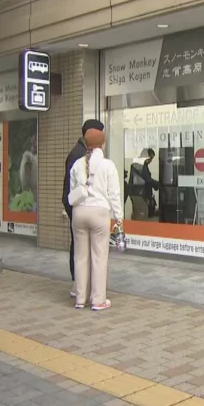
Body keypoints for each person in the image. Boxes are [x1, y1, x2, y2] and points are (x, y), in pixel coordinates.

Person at [68, 127, 123, 311]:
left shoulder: (77, 164)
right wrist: (119, 218)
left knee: (80, 256)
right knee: (99, 257)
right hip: (99, 213)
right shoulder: (108, 165)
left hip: (79, 213)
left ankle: (80, 298)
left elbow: (72, 191)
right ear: (103, 144)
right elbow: (114, 194)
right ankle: (98, 300)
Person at [63, 119, 105, 285]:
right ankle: (80, 285)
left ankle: (80, 288)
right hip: (82, 208)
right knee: (83, 251)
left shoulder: (79, 152)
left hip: (78, 208)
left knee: (81, 251)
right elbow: (74, 186)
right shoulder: (80, 155)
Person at [128, 148, 157, 220]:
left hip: (136, 193)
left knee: (136, 214)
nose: (150, 161)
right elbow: (147, 179)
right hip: (140, 194)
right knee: (142, 215)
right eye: (150, 158)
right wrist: (157, 184)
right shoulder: (140, 166)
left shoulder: (137, 165)